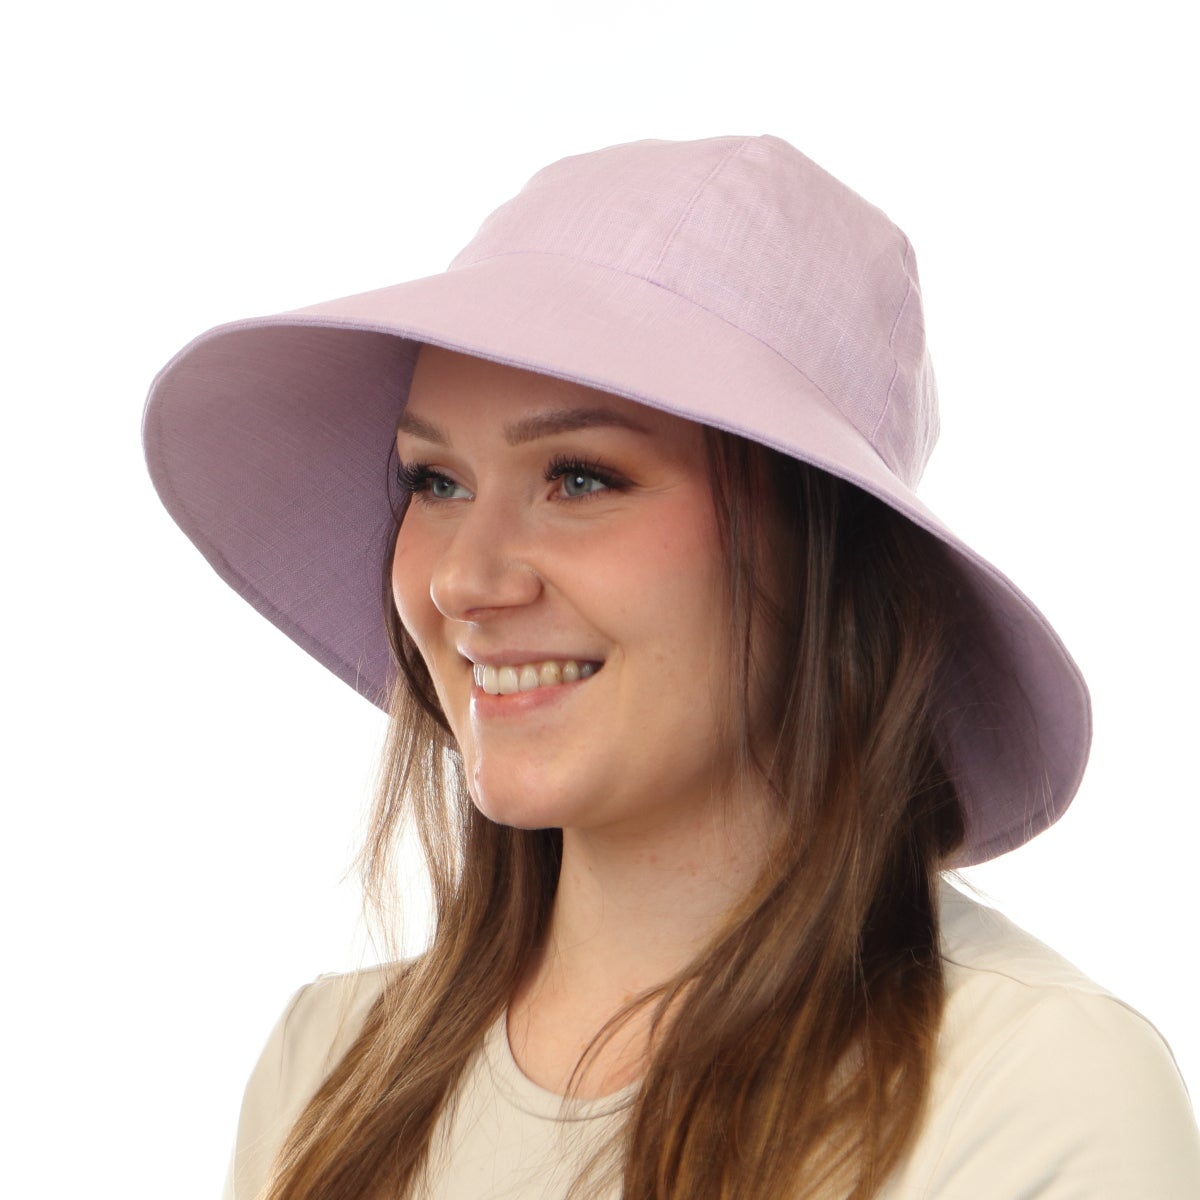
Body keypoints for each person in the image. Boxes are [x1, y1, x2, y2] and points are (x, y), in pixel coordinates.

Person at [143, 135, 1200, 1199]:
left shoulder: (1033, 1094)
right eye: (435, 481)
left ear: (821, 547)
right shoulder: (328, 1070)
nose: (465, 580)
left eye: (581, 477)